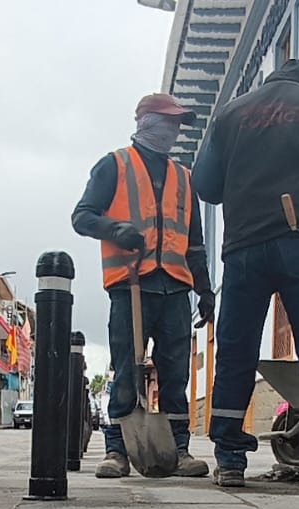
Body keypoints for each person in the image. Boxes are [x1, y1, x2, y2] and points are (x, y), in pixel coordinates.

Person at [192, 60, 299, 492]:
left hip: (244, 246)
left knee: (234, 355)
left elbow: (206, 186)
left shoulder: (231, 114)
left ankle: (229, 462)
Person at [72, 92, 217, 479]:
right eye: (167, 121)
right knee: (126, 371)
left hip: (174, 291)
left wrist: (204, 291)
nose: (172, 130)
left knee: (176, 374)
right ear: (145, 122)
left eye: (177, 124)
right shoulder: (113, 166)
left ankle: (180, 450)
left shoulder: (185, 180)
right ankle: (117, 451)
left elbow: (196, 244)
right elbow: (82, 217)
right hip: (130, 285)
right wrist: (115, 229)